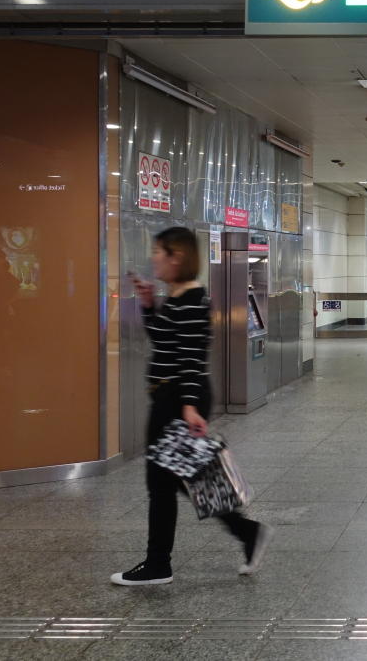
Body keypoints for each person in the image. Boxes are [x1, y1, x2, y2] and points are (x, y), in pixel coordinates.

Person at [112, 227, 271, 587]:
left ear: (177, 257)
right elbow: (166, 344)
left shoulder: (191, 300)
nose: (153, 258)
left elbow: (190, 358)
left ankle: (158, 564)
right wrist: (151, 306)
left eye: (158, 252)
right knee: (186, 478)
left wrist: (188, 406)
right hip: (176, 396)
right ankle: (247, 533)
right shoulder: (179, 297)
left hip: (177, 399)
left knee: (164, 483)